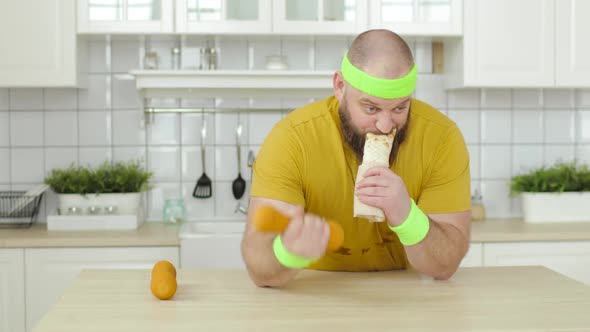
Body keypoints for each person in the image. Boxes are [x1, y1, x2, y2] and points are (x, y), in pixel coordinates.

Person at [241, 29, 471, 287]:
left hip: (406, 296)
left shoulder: (441, 138)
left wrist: (408, 217)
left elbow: (446, 265)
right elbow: (259, 270)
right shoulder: (292, 139)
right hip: (317, 294)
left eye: (399, 108)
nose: (385, 125)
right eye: (371, 108)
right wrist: (288, 251)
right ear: (340, 87)